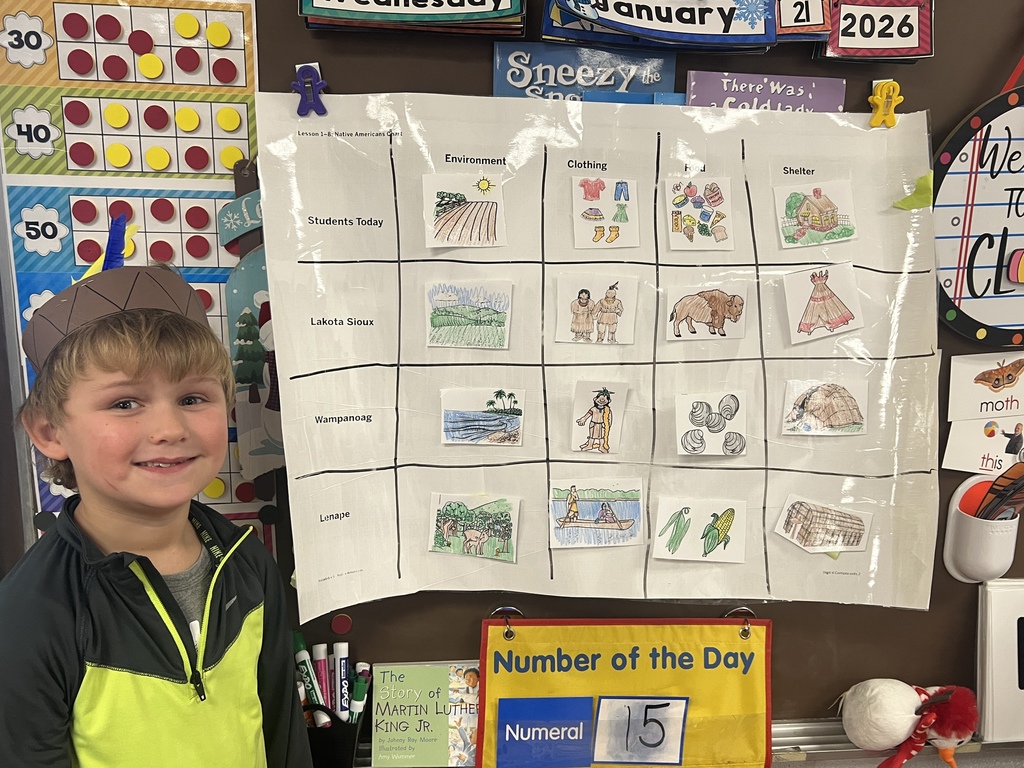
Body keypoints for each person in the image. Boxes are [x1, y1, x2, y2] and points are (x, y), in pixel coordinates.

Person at [0, 261, 312, 768]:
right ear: (50, 431)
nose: (169, 428)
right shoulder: (32, 614)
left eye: (192, 397)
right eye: (125, 403)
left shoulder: (247, 562)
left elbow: (282, 732)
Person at [576, 388, 613, 453]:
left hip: (602, 425)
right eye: (600, 398)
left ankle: (601, 447)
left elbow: (610, 418)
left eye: (605, 399)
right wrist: (583, 419)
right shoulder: (593, 409)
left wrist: (609, 425)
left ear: (609, 401)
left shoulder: (607, 410)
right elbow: (587, 415)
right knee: (591, 436)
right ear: (595, 399)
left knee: (602, 437)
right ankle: (590, 445)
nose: (602, 400)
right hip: (593, 424)